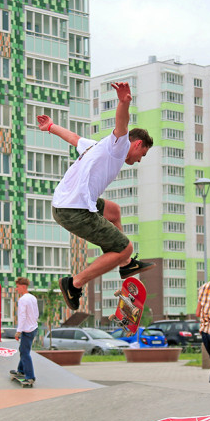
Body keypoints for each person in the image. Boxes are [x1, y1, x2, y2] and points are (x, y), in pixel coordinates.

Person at [38, 82, 155, 310]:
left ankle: (126, 264)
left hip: (63, 203)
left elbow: (73, 137)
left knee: (113, 211)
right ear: (137, 144)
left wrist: (51, 126)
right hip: (75, 210)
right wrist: (124, 102)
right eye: (143, 153)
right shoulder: (119, 147)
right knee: (125, 246)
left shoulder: (95, 146)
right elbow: (121, 124)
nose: (140, 159)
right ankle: (75, 283)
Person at [11, 277, 39, 385]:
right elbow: (36, 313)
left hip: (27, 330)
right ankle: (21, 370)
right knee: (23, 349)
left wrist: (18, 331)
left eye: (17, 287)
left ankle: (30, 376)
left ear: (23, 286)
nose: (16, 289)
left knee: (25, 352)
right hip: (33, 328)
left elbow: (22, 317)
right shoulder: (33, 297)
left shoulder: (23, 300)